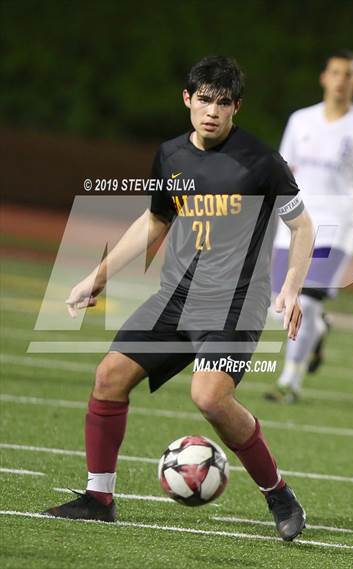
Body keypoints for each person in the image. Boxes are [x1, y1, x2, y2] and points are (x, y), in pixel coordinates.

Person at [43, 56, 314, 541]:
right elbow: (155, 221)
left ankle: (279, 494)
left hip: (236, 300)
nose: (212, 111)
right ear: (187, 99)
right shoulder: (170, 156)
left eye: (223, 102)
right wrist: (97, 275)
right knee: (109, 376)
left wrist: (292, 285)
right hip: (179, 295)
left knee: (209, 396)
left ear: (237, 108)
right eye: (204, 99)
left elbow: (303, 227)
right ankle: (98, 498)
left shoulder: (262, 161)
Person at [266, 49, 353, 403]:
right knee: (280, 305)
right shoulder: (300, 121)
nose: (341, 80)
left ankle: (289, 381)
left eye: (348, 74)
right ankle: (319, 332)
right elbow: (284, 169)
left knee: (305, 302)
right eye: (335, 72)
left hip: (337, 226)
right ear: (324, 77)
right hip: (295, 222)